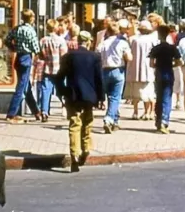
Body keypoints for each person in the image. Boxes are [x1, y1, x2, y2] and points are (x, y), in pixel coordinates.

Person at [54, 31, 104, 173]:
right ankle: (86, 149)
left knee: (74, 124)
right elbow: (99, 79)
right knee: (87, 123)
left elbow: (59, 77)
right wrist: (101, 98)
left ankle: (74, 154)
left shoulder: (68, 57)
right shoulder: (95, 57)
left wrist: (62, 91)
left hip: (73, 95)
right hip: (89, 96)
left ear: (77, 41)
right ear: (89, 42)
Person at [4, 9, 41, 123]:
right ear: (31, 18)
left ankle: (36, 112)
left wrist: (14, 48)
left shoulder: (17, 29)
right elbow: (36, 47)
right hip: (26, 58)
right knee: (21, 87)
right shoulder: (30, 31)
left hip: (19, 57)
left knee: (26, 86)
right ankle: (11, 113)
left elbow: (7, 40)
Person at [97, 22, 133, 134]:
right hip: (118, 70)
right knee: (115, 97)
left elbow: (97, 57)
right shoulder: (122, 43)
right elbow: (129, 58)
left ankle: (115, 120)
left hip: (104, 71)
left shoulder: (102, 44)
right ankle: (108, 119)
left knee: (110, 97)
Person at [149, 25, 182, 134]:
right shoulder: (172, 48)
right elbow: (179, 62)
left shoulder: (156, 48)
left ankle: (158, 121)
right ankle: (164, 121)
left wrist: (158, 65)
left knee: (159, 96)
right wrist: (172, 64)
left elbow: (151, 64)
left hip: (159, 72)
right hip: (168, 72)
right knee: (167, 97)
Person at [37, 19, 68, 122]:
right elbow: (64, 55)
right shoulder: (60, 40)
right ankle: (66, 107)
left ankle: (44, 112)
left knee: (46, 91)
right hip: (59, 69)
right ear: (56, 28)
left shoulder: (43, 40)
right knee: (62, 90)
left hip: (47, 68)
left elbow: (40, 55)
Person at [126, 20, 157, 120]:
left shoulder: (133, 40)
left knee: (136, 92)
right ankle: (147, 112)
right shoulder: (152, 40)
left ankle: (135, 112)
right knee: (147, 92)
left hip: (135, 68)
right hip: (148, 68)